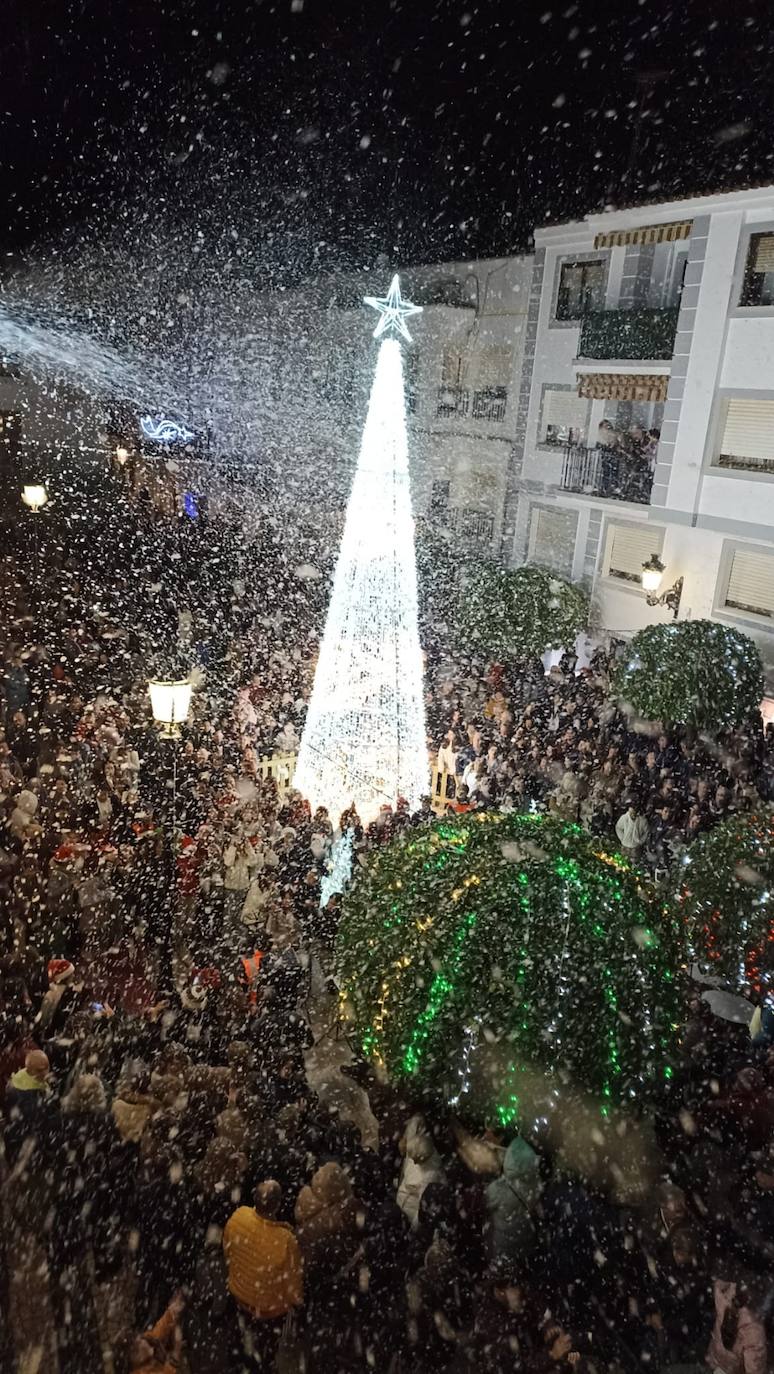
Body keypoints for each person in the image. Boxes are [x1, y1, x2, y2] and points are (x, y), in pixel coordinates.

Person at [223, 1178, 303, 1364]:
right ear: (278, 1205)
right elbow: (293, 1289)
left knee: (238, 1345)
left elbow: (227, 1251)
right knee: (264, 1355)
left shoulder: (238, 1216)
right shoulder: (286, 1241)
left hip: (238, 1299)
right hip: (269, 1313)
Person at [706, 1278, 767, 1374]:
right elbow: (754, 1367)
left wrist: (731, 1285)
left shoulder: (723, 1300)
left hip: (719, 1363)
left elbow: (718, 1285)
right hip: (733, 1368)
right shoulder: (754, 1329)